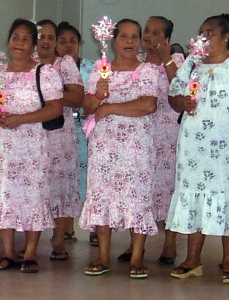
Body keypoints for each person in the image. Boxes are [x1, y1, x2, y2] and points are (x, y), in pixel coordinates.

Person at [166, 13, 229, 284]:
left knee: (227, 198)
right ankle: (192, 258)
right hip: (193, 145)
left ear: (224, 38)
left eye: (210, 33)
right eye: (202, 32)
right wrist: (182, 102)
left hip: (227, 146)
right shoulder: (191, 64)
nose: (205, 38)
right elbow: (174, 97)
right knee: (194, 196)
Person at [0, 18, 63, 273]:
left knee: (32, 194)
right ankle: (7, 252)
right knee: (4, 193)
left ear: (34, 44)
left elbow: (55, 109)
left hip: (31, 145)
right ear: (8, 41)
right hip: (2, 145)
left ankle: (30, 253)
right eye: (15, 37)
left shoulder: (44, 72)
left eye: (26, 38)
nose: (19, 43)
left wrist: (21, 120)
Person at [79, 18, 160, 279]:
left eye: (134, 37)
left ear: (139, 41)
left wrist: (109, 107)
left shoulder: (148, 70)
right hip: (104, 146)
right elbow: (87, 108)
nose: (128, 41)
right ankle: (103, 255)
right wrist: (98, 96)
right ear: (114, 40)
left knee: (136, 197)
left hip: (136, 147)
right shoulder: (100, 70)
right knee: (102, 195)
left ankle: (137, 256)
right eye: (123, 36)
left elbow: (147, 105)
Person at [116, 16, 183, 265]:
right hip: (139, 134)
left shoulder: (177, 61)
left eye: (156, 32)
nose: (148, 36)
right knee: (139, 192)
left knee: (169, 189)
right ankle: (135, 246)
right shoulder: (137, 62)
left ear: (167, 38)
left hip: (169, 135)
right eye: (147, 31)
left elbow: (182, 87)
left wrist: (165, 57)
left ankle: (170, 244)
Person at [37, 19, 84, 260]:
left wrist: (50, 92)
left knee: (61, 183)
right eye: (40, 36)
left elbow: (77, 98)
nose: (44, 41)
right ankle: (28, 240)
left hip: (59, 133)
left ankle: (59, 239)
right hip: (30, 133)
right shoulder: (26, 64)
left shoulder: (64, 64)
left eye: (49, 37)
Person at [56, 21, 97, 246]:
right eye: (62, 41)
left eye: (72, 41)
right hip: (61, 130)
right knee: (65, 177)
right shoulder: (50, 69)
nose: (68, 45)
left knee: (89, 178)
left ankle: (94, 227)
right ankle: (67, 226)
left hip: (87, 132)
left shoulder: (92, 67)